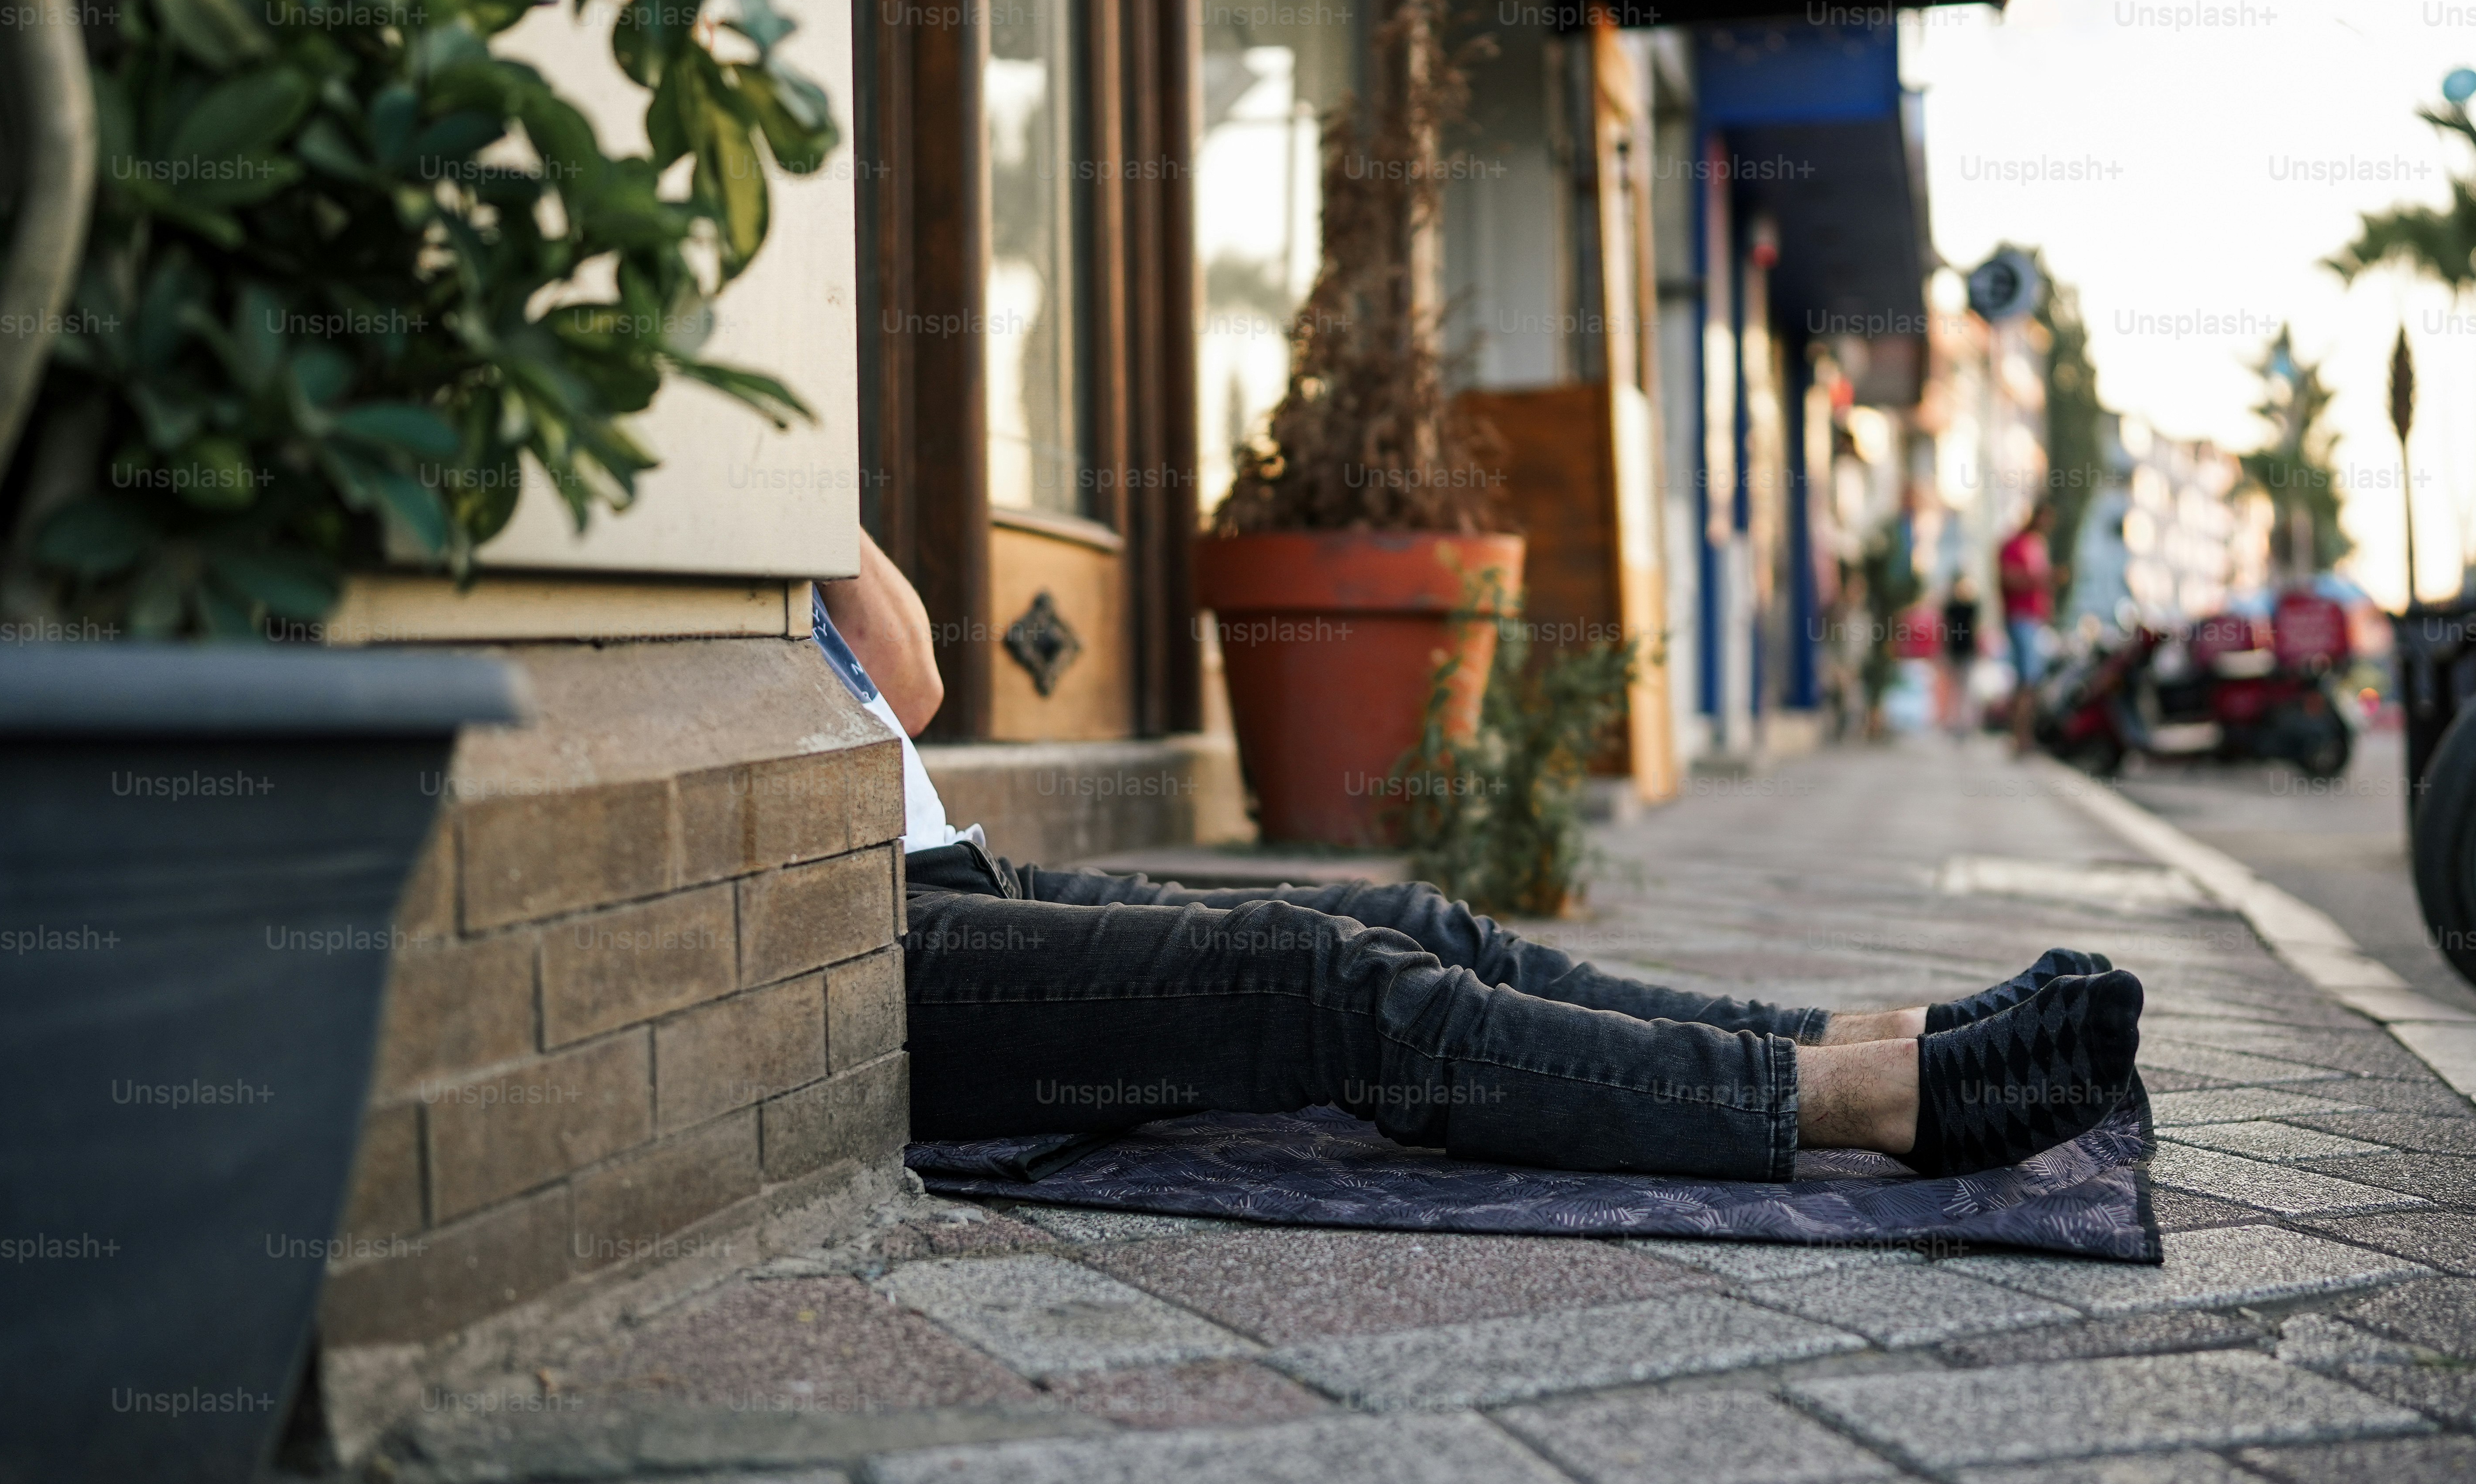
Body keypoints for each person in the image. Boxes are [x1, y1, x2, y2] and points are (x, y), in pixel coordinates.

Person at [818, 528, 2142, 1182]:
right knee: (1315, 981)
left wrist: (810, 460)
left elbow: (912, 683)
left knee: (1418, 923)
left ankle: (1867, 1036)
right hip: (851, 944)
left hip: (953, 876)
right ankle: (1868, 1106)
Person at [1998, 502, 2056, 755]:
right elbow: (2007, 579)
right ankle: (2020, 739)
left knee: (2030, 682)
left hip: (2034, 619)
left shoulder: (2037, 547)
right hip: (2020, 618)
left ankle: (2024, 737)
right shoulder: (2015, 544)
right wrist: (2040, 580)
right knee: (2027, 680)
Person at [1939, 575, 1979, 737]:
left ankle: (1963, 722)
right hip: (1954, 651)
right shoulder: (1952, 607)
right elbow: (1945, 629)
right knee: (1953, 687)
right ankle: (1952, 720)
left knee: (1965, 688)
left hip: (1967, 650)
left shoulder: (1972, 607)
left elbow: (1975, 628)